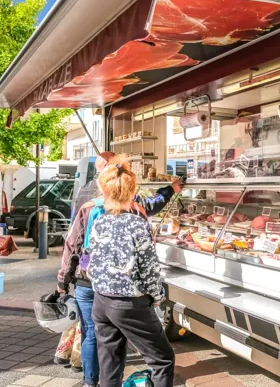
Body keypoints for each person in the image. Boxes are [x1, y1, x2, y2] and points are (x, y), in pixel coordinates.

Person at [55, 152, 180, 387]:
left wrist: (67, 280)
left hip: (101, 301)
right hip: (130, 302)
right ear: (132, 191)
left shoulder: (99, 220)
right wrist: (156, 297)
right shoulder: (137, 223)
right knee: (162, 359)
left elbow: (88, 256)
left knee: (110, 362)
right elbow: (149, 269)